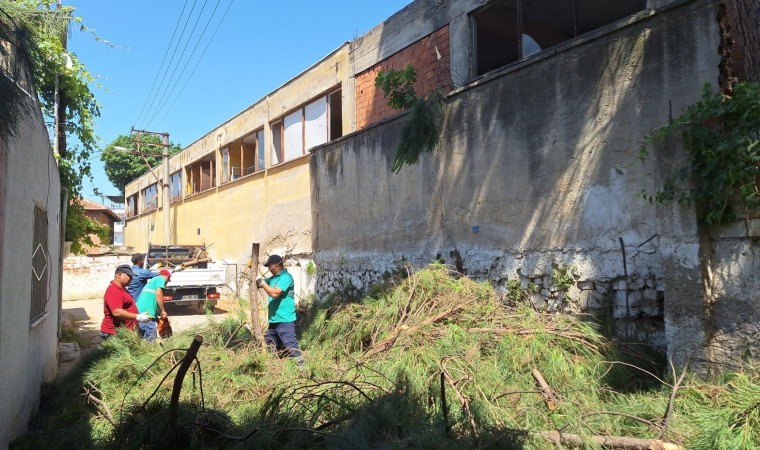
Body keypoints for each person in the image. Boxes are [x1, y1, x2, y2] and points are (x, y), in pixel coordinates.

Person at [257, 254, 303, 366]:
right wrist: (255, 275)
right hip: (273, 320)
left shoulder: (286, 278)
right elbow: (259, 284)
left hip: (285, 319)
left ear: (276, 265)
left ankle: (302, 369)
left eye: (269, 265)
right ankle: (273, 368)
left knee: (291, 345)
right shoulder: (273, 279)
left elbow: (275, 293)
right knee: (270, 344)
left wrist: (262, 283)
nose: (268, 268)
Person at [100, 264, 151, 340]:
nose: (131, 278)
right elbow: (116, 312)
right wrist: (138, 317)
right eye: (129, 276)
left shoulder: (122, 289)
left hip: (123, 332)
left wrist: (137, 315)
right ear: (119, 275)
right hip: (114, 334)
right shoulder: (114, 290)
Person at [135, 269, 172, 342]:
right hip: (147, 314)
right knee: (150, 340)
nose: (167, 283)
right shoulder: (160, 278)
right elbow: (158, 293)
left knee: (141, 339)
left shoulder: (151, 282)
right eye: (168, 280)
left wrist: (157, 320)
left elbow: (150, 301)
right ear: (167, 277)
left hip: (140, 312)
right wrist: (163, 310)